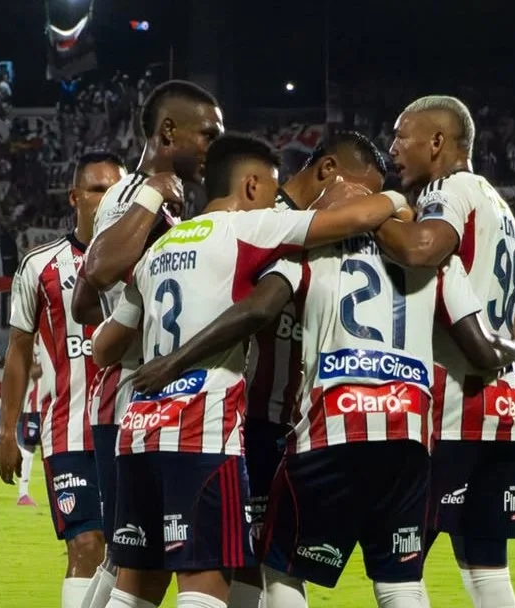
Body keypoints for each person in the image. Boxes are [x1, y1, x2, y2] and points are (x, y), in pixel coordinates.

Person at [128, 198, 515, 608]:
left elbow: (260, 308)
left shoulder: (306, 251)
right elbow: (479, 347)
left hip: (328, 433)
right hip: (407, 437)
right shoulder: (439, 259)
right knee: (399, 580)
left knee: (282, 567)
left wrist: (176, 358)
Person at [90, 133, 413, 608]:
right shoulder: (252, 228)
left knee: (135, 585)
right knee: (205, 584)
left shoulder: (155, 252)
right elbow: (359, 218)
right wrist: (400, 199)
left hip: (140, 433)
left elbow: (103, 347)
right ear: (253, 185)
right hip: (203, 434)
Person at [71, 79, 224, 608]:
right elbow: (99, 268)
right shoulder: (135, 194)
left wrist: (123, 319)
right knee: (129, 558)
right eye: (207, 134)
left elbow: (83, 304)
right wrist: (129, 330)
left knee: (134, 560)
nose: (214, 146)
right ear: (168, 131)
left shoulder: (162, 203)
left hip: (147, 398)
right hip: (132, 398)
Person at [374, 95, 515, 607]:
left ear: (437, 143)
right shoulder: (498, 204)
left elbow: (421, 249)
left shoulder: (448, 190)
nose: (392, 148)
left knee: (399, 562)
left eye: (402, 136)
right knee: (486, 566)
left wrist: (367, 215)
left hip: (453, 399)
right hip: (501, 401)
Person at [226, 129, 389, 606]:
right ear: (328, 172)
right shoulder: (265, 220)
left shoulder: (329, 235)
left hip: (299, 424)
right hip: (253, 419)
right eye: (363, 192)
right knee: (252, 559)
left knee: (272, 558)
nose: (367, 208)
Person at [0, 152, 123, 608]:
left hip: (135, 429)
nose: (107, 198)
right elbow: (18, 351)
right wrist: (7, 431)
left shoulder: (146, 258)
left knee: (131, 555)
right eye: (96, 189)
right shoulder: (39, 265)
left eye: (115, 189)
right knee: (86, 547)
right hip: (69, 431)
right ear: (75, 197)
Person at [17, 336, 48, 507]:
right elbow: (31, 371)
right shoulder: (29, 344)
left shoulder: (53, 337)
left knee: (52, 449)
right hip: (34, 405)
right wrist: (50, 360)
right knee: (29, 447)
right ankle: (23, 494)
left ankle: (55, 491)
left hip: (53, 404)